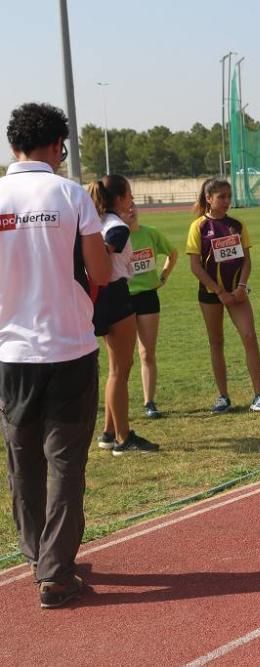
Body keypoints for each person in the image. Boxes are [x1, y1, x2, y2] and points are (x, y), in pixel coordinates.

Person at [0, 102, 111, 607]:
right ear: (56, 145)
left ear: (13, 144)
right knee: (65, 462)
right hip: (68, 346)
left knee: (23, 460)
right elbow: (101, 272)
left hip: (11, 351)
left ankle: (38, 556)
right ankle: (56, 572)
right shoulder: (69, 195)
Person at [187, 178, 260, 414]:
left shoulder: (237, 224)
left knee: (249, 336)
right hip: (211, 294)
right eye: (221, 197)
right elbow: (195, 267)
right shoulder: (198, 227)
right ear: (209, 198)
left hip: (238, 293)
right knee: (216, 342)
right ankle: (223, 397)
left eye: (229, 196)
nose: (226, 201)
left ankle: (259, 395)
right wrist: (219, 291)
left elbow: (246, 260)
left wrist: (241, 287)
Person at [88, 176, 159, 455]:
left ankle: (108, 432)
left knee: (116, 369)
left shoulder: (98, 221)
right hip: (115, 294)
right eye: (129, 194)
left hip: (103, 296)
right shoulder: (117, 228)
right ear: (120, 197)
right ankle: (123, 437)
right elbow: (99, 257)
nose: (132, 199)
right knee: (121, 369)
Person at [125, 203, 177, 418]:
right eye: (126, 207)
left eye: (133, 206)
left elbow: (173, 253)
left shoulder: (151, 233)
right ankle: (120, 404)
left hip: (148, 297)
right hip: (124, 299)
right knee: (124, 358)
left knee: (147, 353)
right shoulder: (115, 236)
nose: (131, 210)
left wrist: (163, 276)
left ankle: (149, 402)